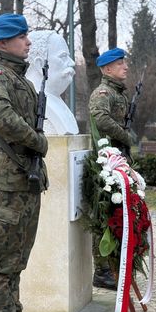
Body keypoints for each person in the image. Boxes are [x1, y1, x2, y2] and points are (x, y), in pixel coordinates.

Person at [0, 13, 56, 312]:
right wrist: (37, 141)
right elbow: (1, 118)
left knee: (17, 263)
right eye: (22, 36)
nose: (28, 42)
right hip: (7, 183)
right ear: (3, 42)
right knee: (2, 264)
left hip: (25, 180)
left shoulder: (19, 78)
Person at [88, 47, 133, 290]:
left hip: (117, 159)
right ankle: (102, 270)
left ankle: (116, 265)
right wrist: (125, 136)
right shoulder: (103, 93)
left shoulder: (118, 93)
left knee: (119, 214)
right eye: (119, 64)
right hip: (106, 162)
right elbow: (101, 119)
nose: (125, 67)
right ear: (107, 69)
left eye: (124, 63)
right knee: (104, 215)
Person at [25, 30, 79, 135]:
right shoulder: (33, 101)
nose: (72, 62)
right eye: (63, 56)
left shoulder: (55, 100)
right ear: (40, 64)